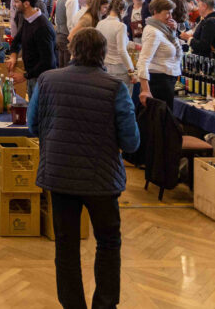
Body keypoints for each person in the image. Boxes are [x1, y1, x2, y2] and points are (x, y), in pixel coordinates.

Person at [28, 28, 139, 309]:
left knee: (66, 246)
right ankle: (105, 303)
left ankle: (72, 304)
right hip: (101, 178)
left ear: (73, 51)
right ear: (103, 53)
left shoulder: (47, 80)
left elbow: (32, 126)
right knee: (108, 242)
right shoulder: (115, 88)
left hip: (59, 172)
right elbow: (131, 141)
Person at [7, 0, 58, 95]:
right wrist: (13, 56)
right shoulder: (28, 20)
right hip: (32, 76)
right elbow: (16, 41)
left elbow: (48, 62)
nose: (14, 5)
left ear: (26, 4)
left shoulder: (42, 27)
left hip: (42, 80)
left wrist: (25, 76)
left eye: (16, 2)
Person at [136, 0, 183, 110]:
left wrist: (173, 32)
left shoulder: (163, 29)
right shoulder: (153, 32)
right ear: (156, 12)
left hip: (166, 80)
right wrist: (145, 90)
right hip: (159, 82)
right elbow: (143, 61)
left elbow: (175, 48)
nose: (171, 17)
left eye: (171, 13)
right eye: (167, 13)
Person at [97, 0, 135, 90]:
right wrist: (131, 70)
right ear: (122, 11)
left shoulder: (100, 23)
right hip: (119, 68)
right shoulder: (121, 26)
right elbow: (122, 50)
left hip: (103, 66)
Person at [53, 0, 81, 66]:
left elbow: (56, 19)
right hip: (67, 36)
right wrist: (73, 38)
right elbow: (71, 22)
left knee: (62, 65)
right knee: (67, 65)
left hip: (59, 34)